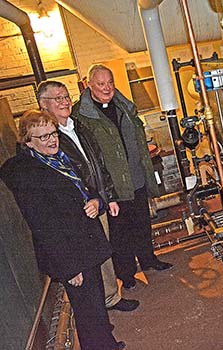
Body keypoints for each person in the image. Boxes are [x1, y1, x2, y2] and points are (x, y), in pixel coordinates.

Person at [0, 110, 125, 350]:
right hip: (71, 253)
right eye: (43, 136)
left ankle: (103, 342)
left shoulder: (59, 160)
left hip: (84, 244)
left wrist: (96, 202)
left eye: (53, 133)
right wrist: (70, 267)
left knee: (95, 304)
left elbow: (87, 189)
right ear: (28, 142)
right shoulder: (28, 175)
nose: (52, 139)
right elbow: (43, 226)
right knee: (86, 308)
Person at [37, 80, 139, 312]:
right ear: (44, 105)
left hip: (97, 201)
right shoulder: (48, 138)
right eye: (58, 98)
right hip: (78, 208)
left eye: (65, 97)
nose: (64, 102)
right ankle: (100, 305)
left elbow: (98, 164)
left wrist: (108, 197)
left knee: (104, 252)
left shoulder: (78, 127)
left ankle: (110, 297)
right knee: (89, 259)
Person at [72, 64, 172, 290]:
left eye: (110, 82)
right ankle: (126, 273)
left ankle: (148, 259)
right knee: (120, 233)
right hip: (113, 186)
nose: (107, 88)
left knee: (142, 223)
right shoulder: (82, 116)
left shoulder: (124, 106)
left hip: (135, 178)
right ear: (89, 85)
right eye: (101, 84)